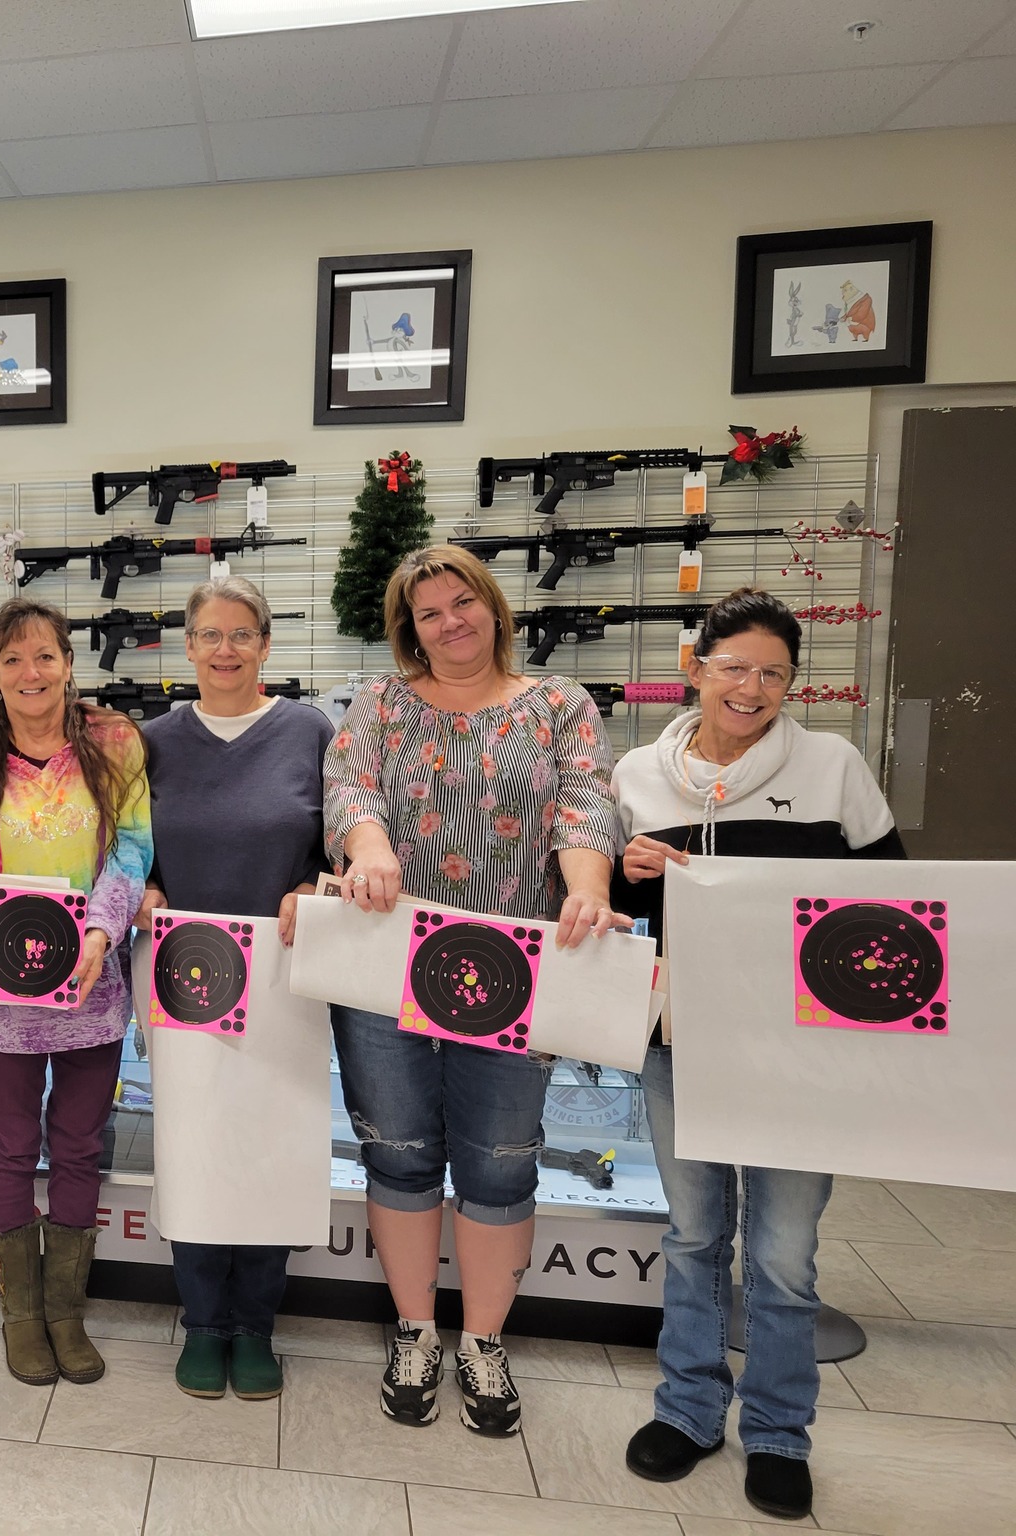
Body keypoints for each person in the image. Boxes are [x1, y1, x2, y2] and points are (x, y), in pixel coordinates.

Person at [614, 587, 902, 1521]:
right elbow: (614, 914)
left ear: (791, 684)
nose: (752, 687)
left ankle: (778, 1431)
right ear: (695, 668)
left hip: (800, 1049)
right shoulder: (636, 776)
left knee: (783, 1255)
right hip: (680, 1040)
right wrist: (626, 873)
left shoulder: (833, 767)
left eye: (774, 673)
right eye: (734, 666)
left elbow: (892, 903)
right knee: (694, 1237)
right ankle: (688, 1410)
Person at [323, 544, 623, 1438]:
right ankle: (416, 1333)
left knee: (500, 1160)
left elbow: (585, 806)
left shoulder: (561, 706)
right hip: (385, 965)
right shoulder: (379, 704)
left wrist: (588, 889)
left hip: (514, 972)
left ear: (494, 608)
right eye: (430, 613)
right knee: (398, 1151)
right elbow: (349, 789)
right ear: (408, 630)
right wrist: (370, 848)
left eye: (464, 603)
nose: (450, 621)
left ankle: (484, 1342)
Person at [0, 598, 151, 1388]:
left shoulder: (114, 742)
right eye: (13, 659)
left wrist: (100, 933)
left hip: (92, 981)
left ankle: (66, 1310)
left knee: (82, 1145)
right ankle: (22, 1314)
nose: (31, 673)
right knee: (11, 1147)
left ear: (68, 663)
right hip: (2, 997)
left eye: (45, 656)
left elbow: (132, 851)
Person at [137, 576, 334, 1402]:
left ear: (265, 645)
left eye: (242, 634)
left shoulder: (310, 731)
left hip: (286, 978)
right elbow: (126, 844)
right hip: (184, 975)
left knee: (271, 1145)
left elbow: (342, 838)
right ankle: (203, 1321)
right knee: (194, 1145)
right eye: (210, 635)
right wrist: (143, 886)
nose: (226, 650)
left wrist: (316, 884)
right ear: (187, 647)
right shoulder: (150, 742)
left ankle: (254, 1323)